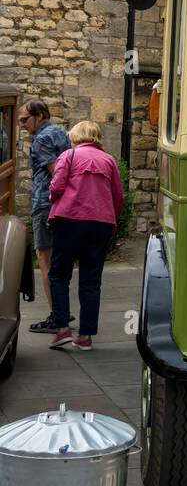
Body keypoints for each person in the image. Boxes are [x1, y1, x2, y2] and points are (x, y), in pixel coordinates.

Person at [47, 121, 124, 351]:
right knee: (91, 281)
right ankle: (85, 336)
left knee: (59, 275)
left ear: (76, 136)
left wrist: (53, 198)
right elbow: (117, 196)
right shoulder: (109, 160)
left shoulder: (68, 156)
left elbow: (56, 187)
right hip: (100, 223)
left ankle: (62, 328)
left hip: (69, 220)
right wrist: (111, 218)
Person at [17, 98, 71, 333]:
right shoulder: (61, 133)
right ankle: (61, 311)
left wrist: (52, 198)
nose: (21, 124)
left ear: (39, 116)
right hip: (63, 204)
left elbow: (56, 174)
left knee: (44, 259)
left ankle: (56, 316)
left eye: (24, 119)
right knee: (58, 260)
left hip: (45, 203)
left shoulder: (41, 139)